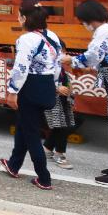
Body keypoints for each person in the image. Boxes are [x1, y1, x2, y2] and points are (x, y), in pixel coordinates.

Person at [62, 0, 108, 186]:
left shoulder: (104, 31)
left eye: (82, 21)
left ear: (88, 19)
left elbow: (93, 56)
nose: (83, 25)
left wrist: (70, 60)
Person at [0, 1, 62, 190]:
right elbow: (58, 63)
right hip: (48, 84)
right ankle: (14, 164)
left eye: (19, 15)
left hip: (31, 86)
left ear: (24, 18)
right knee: (25, 125)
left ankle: (44, 177)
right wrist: (56, 84)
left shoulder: (26, 39)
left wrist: (12, 91)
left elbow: (21, 68)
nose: (18, 19)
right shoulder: (53, 36)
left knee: (32, 133)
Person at [43, 40, 78, 171]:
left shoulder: (61, 67)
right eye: (61, 51)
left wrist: (70, 93)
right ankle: (60, 154)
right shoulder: (48, 66)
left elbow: (68, 83)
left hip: (64, 101)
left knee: (62, 126)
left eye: (64, 51)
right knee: (63, 127)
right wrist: (57, 88)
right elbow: (43, 82)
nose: (63, 54)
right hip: (54, 100)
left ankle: (47, 148)